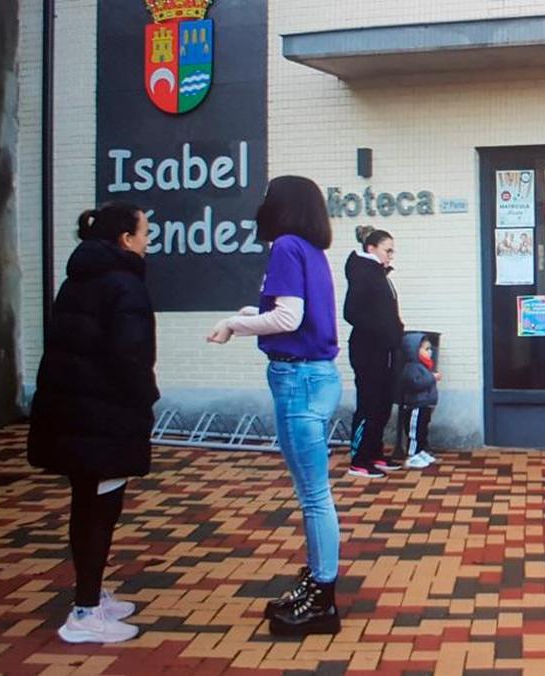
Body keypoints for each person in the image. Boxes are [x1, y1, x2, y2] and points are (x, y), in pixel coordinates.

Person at [207, 175, 342, 636]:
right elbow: (297, 316)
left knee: (314, 495)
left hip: (298, 377)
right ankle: (316, 581)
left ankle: (323, 596)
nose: (261, 203)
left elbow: (289, 317)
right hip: (316, 376)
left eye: (268, 196)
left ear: (282, 205)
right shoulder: (310, 250)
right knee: (314, 493)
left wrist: (231, 323)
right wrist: (250, 315)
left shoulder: (286, 246)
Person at [28, 202, 157, 644]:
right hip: (105, 417)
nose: (148, 240)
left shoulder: (79, 280)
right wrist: (146, 398)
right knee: (99, 512)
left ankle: (92, 596)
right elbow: (130, 357)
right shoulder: (124, 285)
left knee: (87, 505)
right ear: (125, 239)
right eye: (144, 232)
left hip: (77, 414)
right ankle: (84, 613)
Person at [344, 226, 404, 478]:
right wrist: (383, 331)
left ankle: (375, 453)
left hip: (385, 349)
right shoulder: (363, 273)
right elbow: (351, 313)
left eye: (392, 251)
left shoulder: (379, 274)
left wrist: (395, 331)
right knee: (368, 404)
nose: (391, 255)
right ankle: (359, 459)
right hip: (368, 350)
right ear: (371, 248)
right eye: (387, 250)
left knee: (382, 403)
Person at [399, 334, 441, 468]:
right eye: (426, 349)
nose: (430, 352)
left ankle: (420, 451)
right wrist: (432, 378)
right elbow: (415, 384)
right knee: (415, 431)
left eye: (430, 349)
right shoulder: (412, 367)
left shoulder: (424, 367)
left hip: (425, 404)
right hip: (416, 405)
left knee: (422, 430)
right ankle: (412, 455)